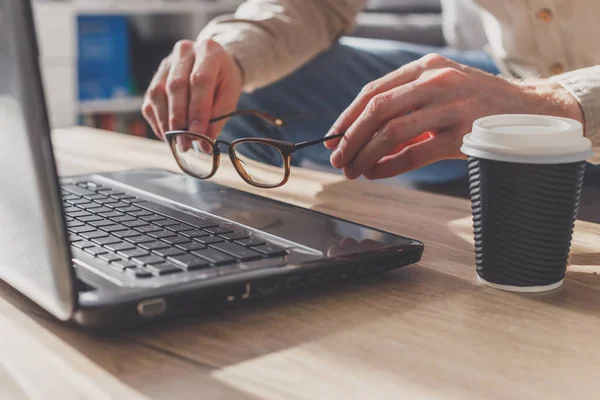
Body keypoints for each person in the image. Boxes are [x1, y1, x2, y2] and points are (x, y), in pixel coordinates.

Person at [142, 0, 600, 183]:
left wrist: (553, 106)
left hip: (574, 101)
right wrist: (228, 52)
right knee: (253, 85)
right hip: (508, 75)